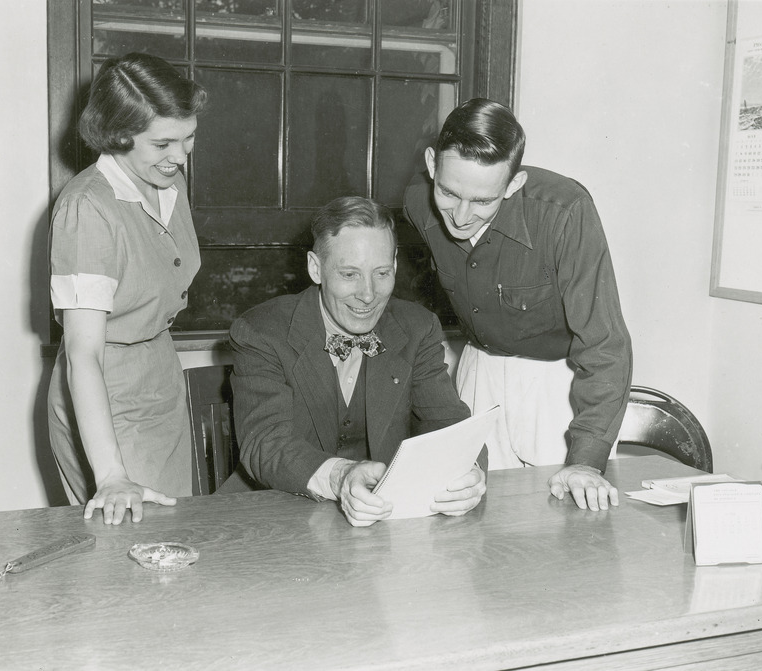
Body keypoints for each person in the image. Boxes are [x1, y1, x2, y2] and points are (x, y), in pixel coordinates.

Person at [403, 98, 632, 512]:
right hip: (477, 372)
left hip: (557, 385)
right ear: (432, 164)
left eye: (483, 201)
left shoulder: (565, 212)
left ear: (513, 184)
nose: (460, 216)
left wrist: (586, 459)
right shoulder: (416, 204)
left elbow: (604, 344)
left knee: (564, 529)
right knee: (465, 524)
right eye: (449, 193)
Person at [226, 196, 487, 526]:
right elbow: (265, 444)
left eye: (382, 273)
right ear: (315, 268)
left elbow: (449, 423)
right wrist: (341, 476)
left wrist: (468, 473)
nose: (368, 294)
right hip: (272, 513)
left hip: (381, 520)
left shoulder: (418, 327)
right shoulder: (262, 331)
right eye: (349, 274)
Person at [47, 53, 208, 525]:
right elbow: (82, 354)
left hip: (159, 376)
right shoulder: (86, 210)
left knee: (175, 533)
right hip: (105, 393)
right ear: (119, 135)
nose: (180, 157)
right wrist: (113, 474)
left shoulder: (166, 181)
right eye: (163, 143)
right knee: (134, 546)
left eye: (189, 137)